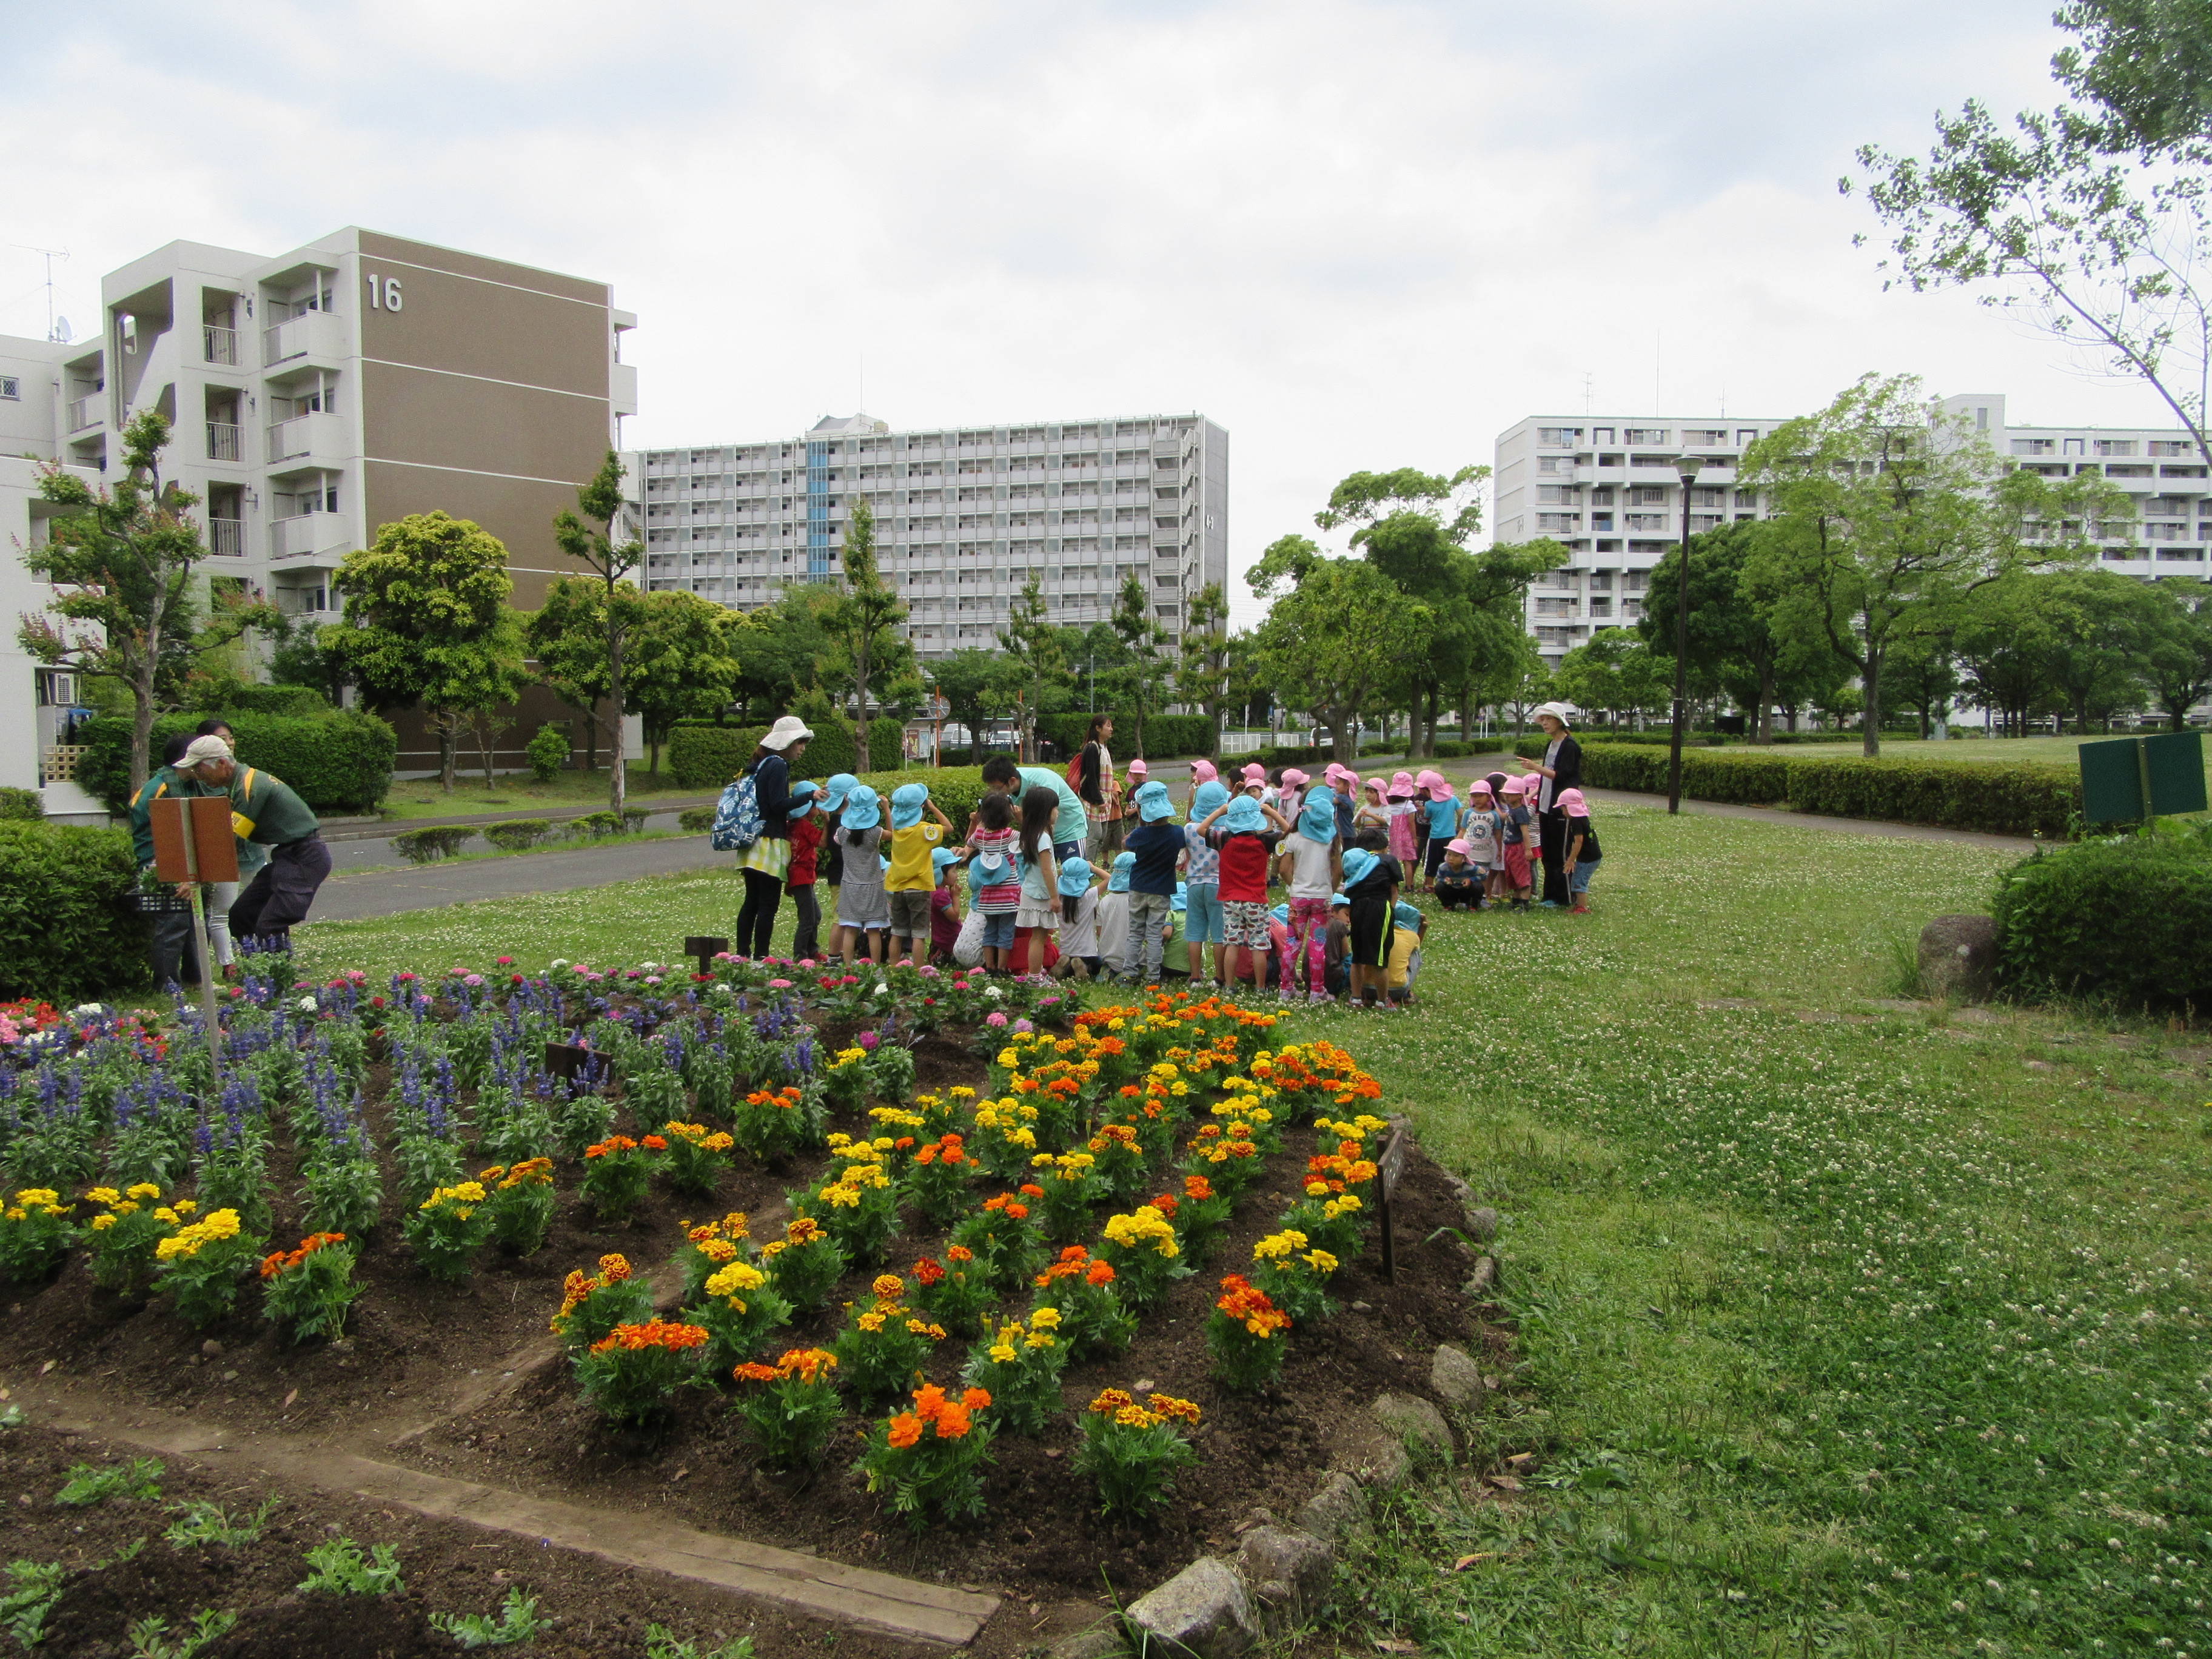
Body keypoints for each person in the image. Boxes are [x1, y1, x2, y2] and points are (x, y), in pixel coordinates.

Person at [179, 735, 331, 954]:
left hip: (304, 856)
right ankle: (257, 974)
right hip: (287, 855)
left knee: (270, 924)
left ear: (222, 764)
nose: (198, 777)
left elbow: (229, 842)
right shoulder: (237, 784)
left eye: (199, 770)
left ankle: (276, 981)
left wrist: (196, 877)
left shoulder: (248, 787)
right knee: (243, 915)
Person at [1193, 789, 1290, 996]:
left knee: (1232, 943)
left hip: (1230, 900)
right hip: (1256, 900)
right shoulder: (1264, 841)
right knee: (1258, 945)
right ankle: (1261, 987)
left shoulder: (1224, 839)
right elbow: (1288, 830)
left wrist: (1220, 811)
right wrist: (1271, 812)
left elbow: (1201, 829)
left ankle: (1229, 985)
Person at [128, 732, 204, 988]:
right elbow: (162, 836)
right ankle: (167, 985)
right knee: (172, 925)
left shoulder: (186, 783)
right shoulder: (160, 788)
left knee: (191, 923)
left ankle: (194, 978)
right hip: (160, 863)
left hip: (180, 862)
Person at [732, 716, 812, 957]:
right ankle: (761, 956)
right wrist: (809, 796)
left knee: (752, 901)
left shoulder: (761, 763)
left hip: (752, 842)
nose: (802, 749)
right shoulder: (778, 765)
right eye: (800, 742)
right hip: (769, 843)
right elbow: (779, 805)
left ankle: (742, 954)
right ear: (787, 742)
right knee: (768, 904)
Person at [191, 717, 257, 971]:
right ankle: (229, 965)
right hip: (223, 854)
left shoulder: (244, 775)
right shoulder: (205, 781)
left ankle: (257, 956)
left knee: (255, 906)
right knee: (222, 912)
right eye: (222, 739)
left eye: (230, 737)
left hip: (250, 851)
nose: (229, 743)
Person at [1278, 782, 1341, 1004]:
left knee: (1292, 943)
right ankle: (1316, 991)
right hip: (1322, 898)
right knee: (1318, 945)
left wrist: (1293, 885)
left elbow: (1284, 869)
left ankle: (1286, 988)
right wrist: (1330, 890)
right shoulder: (1333, 840)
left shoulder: (1294, 838)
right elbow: (1338, 871)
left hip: (1299, 897)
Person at [1120, 780, 1183, 984]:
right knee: (1155, 935)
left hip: (1138, 887)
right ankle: (1153, 976)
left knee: (1135, 933)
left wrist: (1140, 821)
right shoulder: (1177, 833)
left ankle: (1129, 972)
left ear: (1142, 810)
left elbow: (1125, 844)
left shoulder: (1140, 834)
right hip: (1161, 890)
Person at [886, 782, 955, 966]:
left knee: (897, 932)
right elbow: (949, 828)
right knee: (919, 933)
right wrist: (932, 807)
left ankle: (893, 967)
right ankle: (918, 970)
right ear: (921, 807)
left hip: (898, 887)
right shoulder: (925, 831)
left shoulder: (897, 831)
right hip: (919, 887)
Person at [980, 754, 1088, 863]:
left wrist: (1023, 820)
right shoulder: (1009, 781)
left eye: (997, 788)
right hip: (1045, 834)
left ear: (1012, 781)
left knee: (1076, 872)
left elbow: (1046, 825)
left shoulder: (1044, 783)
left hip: (1070, 829)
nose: (995, 792)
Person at [1527, 703, 1584, 908]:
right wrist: (1535, 793)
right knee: (1548, 853)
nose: (1544, 723)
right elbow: (1547, 778)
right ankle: (1549, 896)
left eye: (1548, 719)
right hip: (1545, 805)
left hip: (1562, 807)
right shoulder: (1550, 745)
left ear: (1559, 721)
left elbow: (1561, 776)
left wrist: (1535, 768)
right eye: (1542, 719)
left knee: (1561, 852)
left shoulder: (1570, 746)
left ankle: (1565, 896)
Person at [965, 791, 1023, 974]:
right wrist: (1020, 817)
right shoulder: (1010, 835)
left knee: (990, 930)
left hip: (988, 893)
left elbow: (969, 841)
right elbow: (1031, 836)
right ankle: (1002, 968)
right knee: (1006, 931)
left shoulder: (980, 836)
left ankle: (989, 967)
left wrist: (976, 821)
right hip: (1009, 893)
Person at [833, 783, 890, 964]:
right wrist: (887, 810)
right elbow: (895, 834)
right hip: (873, 885)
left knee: (850, 929)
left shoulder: (841, 833)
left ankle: (848, 968)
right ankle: (875, 967)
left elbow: (837, 839)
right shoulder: (875, 833)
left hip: (849, 885)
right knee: (874, 931)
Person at [1340, 843, 1401, 1010]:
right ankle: (1382, 1001)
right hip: (1379, 907)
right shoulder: (1384, 865)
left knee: (1357, 957)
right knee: (1380, 959)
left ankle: (1356, 998)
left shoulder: (1353, 882)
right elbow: (1394, 891)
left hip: (1358, 908)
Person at [1181, 778, 1229, 987]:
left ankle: (1195, 977)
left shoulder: (1189, 829)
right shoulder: (1227, 831)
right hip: (1219, 885)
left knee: (1195, 933)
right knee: (1219, 934)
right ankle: (1219, 977)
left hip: (1193, 885)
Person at [1013, 785, 1062, 976]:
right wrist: (1054, 897)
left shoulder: (1032, 833)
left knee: (1037, 937)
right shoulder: (1043, 837)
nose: (1057, 812)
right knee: (1039, 938)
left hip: (1032, 891)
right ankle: (1035, 976)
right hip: (1041, 895)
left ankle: (1036, 972)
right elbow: (1046, 869)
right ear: (1045, 811)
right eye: (1055, 808)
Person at [785, 781, 823, 962]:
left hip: (799, 876)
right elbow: (822, 842)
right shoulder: (804, 825)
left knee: (815, 915)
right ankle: (801, 955)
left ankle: (812, 950)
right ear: (809, 809)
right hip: (802, 877)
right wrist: (827, 822)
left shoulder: (792, 824)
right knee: (808, 919)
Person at [1073, 715, 1116, 859]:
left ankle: (1090, 863)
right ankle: (1087, 866)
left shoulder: (1103, 747)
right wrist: (1099, 801)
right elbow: (1091, 777)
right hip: (1093, 798)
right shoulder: (1092, 748)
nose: (1111, 729)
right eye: (1108, 726)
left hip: (1104, 797)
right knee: (1095, 834)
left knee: (1102, 834)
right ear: (1098, 728)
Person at [1053, 855, 1102, 979]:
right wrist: (1093, 867)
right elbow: (1110, 879)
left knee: (1069, 965)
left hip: (1066, 951)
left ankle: (1067, 965)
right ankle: (1084, 967)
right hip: (1088, 953)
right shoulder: (1089, 896)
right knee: (1099, 965)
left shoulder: (1058, 899)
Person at [816, 771, 859, 902]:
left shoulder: (834, 820)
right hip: (845, 876)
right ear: (848, 797)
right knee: (841, 919)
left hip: (836, 875)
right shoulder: (845, 823)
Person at [1558, 788, 1602, 914]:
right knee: (1578, 879)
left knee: (1579, 882)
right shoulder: (1582, 818)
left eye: (1563, 809)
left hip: (1588, 858)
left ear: (1570, 808)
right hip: (1592, 856)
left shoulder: (1576, 822)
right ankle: (1579, 905)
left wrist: (1571, 860)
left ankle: (1582, 908)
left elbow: (1579, 841)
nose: (1563, 812)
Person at [1461, 781, 1502, 908]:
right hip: (1470, 852)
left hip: (1485, 852)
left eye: (1481, 796)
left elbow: (1498, 833)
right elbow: (1463, 830)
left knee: (1484, 875)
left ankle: (1483, 897)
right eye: (1475, 796)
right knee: (1467, 874)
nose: (1477, 799)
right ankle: (1465, 898)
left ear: (1489, 797)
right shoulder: (1469, 813)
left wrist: (1500, 850)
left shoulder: (1493, 815)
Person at [1498, 777, 1535, 910]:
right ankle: (1516, 901)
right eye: (1505, 794)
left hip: (1518, 847)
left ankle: (1524, 903)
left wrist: (1528, 850)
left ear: (1519, 796)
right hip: (1508, 847)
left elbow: (1525, 832)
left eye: (1510, 794)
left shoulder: (1521, 812)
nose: (1506, 797)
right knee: (1512, 875)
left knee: (1522, 876)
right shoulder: (1512, 808)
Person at [1098, 851, 1136, 979]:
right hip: (1133, 959)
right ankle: (1127, 975)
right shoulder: (1137, 902)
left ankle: (1108, 971)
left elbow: (1099, 932)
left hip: (1106, 956)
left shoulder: (1105, 901)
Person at [1419, 775, 1461, 891]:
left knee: (1431, 861)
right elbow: (1461, 813)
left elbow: (1427, 817)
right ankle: (1449, 881)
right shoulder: (1453, 799)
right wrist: (1458, 828)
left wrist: (1422, 812)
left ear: (1430, 790)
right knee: (1449, 860)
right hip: (1450, 836)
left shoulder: (1430, 804)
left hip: (1435, 837)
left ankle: (1429, 885)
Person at [1385, 899, 1427, 1006]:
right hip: (1396, 990)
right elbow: (1415, 950)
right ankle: (1406, 994)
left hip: (1367, 989)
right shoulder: (1411, 936)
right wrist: (1423, 929)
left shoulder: (1377, 930)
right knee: (1415, 953)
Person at [928, 846, 965, 965]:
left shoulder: (940, 891)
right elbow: (954, 916)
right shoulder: (939, 895)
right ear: (939, 873)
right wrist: (956, 897)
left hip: (944, 940)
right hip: (948, 942)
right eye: (953, 871)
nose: (957, 875)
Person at [1434, 839, 1484, 910]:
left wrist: (1471, 880)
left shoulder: (1471, 868)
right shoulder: (1443, 867)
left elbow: (1484, 875)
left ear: (1464, 858)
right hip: (1452, 892)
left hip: (1466, 892)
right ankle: (1448, 905)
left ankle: (1473, 905)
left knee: (1478, 887)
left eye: (1456, 856)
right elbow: (1438, 878)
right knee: (1439, 886)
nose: (1451, 858)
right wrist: (1444, 880)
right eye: (1449, 854)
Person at [1384, 775, 1419, 868]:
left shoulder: (1388, 806)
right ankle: (1409, 883)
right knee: (1408, 862)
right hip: (1406, 838)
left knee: (1391, 862)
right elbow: (1412, 824)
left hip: (1391, 837)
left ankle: (1393, 882)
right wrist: (1415, 838)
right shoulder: (1409, 806)